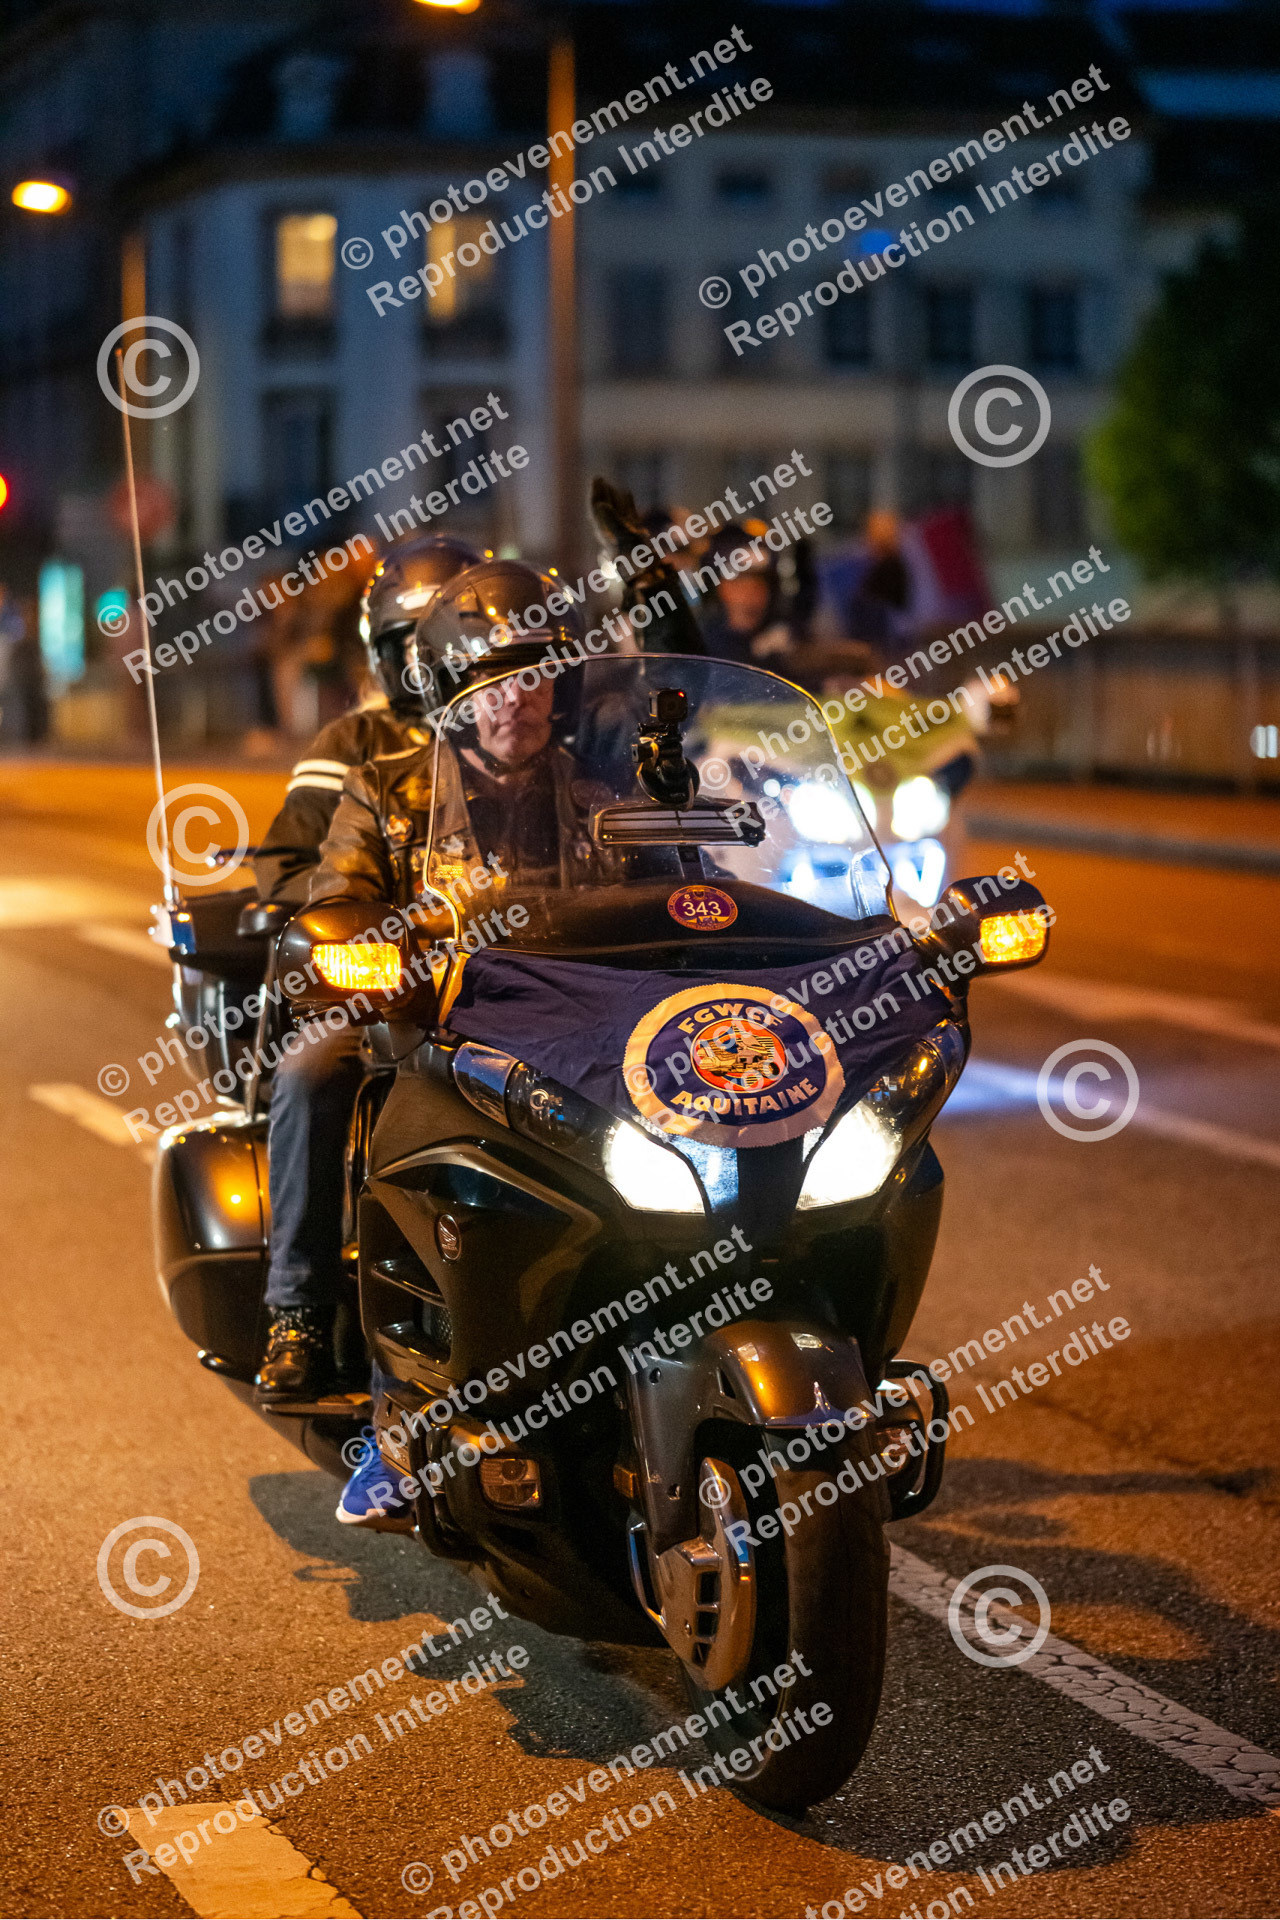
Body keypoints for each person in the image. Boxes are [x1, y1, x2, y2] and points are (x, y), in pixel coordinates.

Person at [301, 558, 594, 1527]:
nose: (517, 699)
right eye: (490, 681)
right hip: (436, 1036)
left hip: (576, 1037)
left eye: (535, 675)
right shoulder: (384, 789)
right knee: (401, 1154)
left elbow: (689, 882)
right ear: (449, 693)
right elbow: (338, 898)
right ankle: (398, 1423)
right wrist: (384, 947)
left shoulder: (601, 791)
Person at [252, 532, 479, 1408]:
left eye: (443, 640)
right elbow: (294, 871)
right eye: (409, 642)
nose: (427, 660)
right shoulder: (362, 745)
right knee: (312, 1069)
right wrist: (368, 929)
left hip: (500, 988)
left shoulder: (522, 738)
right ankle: (298, 1310)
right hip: (379, 986)